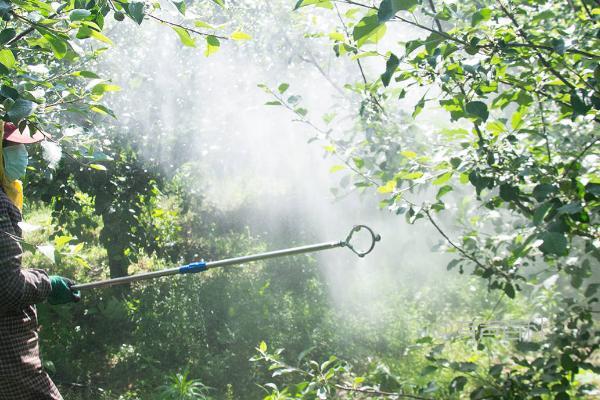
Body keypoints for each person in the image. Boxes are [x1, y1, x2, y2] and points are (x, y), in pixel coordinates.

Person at [0, 122, 80, 400]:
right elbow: (7, 286)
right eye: (13, 147)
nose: (22, 154)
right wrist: (47, 284)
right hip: (8, 357)